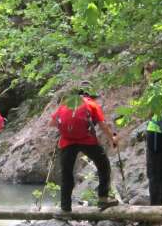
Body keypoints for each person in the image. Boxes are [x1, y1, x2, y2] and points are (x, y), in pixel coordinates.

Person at [50, 84, 118, 213]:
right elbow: (103, 125)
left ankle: (65, 209)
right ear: (90, 95)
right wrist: (112, 139)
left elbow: (52, 123)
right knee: (103, 165)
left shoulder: (66, 104)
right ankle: (103, 198)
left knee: (66, 174)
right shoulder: (92, 104)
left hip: (67, 142)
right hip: (87, 140)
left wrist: (68, 128)